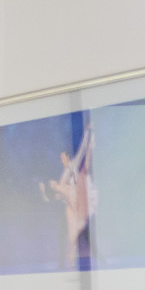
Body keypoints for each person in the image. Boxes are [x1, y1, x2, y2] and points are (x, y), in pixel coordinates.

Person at [40, 113, 96, 270]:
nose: (62, 160)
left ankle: (78, 256)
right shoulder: (63, 174)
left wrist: (87, 132)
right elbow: (60, 188)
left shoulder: (73, 164)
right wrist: (53, 191)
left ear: (67, 157)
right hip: (70, 203)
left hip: (77, 198)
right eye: (61, 158)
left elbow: (82, 149)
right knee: (72, 234)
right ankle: (71, 259)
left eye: (63, 157)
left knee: (77, 231)